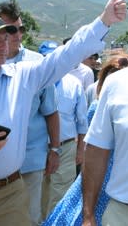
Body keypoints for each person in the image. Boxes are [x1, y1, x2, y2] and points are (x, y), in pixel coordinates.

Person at [0, 0, 126, 226]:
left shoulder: (23, 77)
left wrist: (103, 22)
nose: (4, 45)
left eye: (5, 38)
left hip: (11, 193)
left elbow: (66, 55)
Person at [42, 52, 128, 226]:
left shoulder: (76, 85)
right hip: (112, 182)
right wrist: (88, 214)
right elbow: (95, 144)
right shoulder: (109, 93)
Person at [0, 1, 61, 226]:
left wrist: (54, 149)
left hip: (30, 160)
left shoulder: (37, 63)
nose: (18, 34)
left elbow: (51, 111)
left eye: (20, 28)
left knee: (29, 218)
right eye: (11, 29)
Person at [38, 41, 88, 219]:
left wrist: (81, 150)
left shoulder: (73, 84)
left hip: (66, 148)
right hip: (37, 147)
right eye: (46, 57)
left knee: (60, 194)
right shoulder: (34, 83)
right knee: (37, 195)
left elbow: (82, 121)